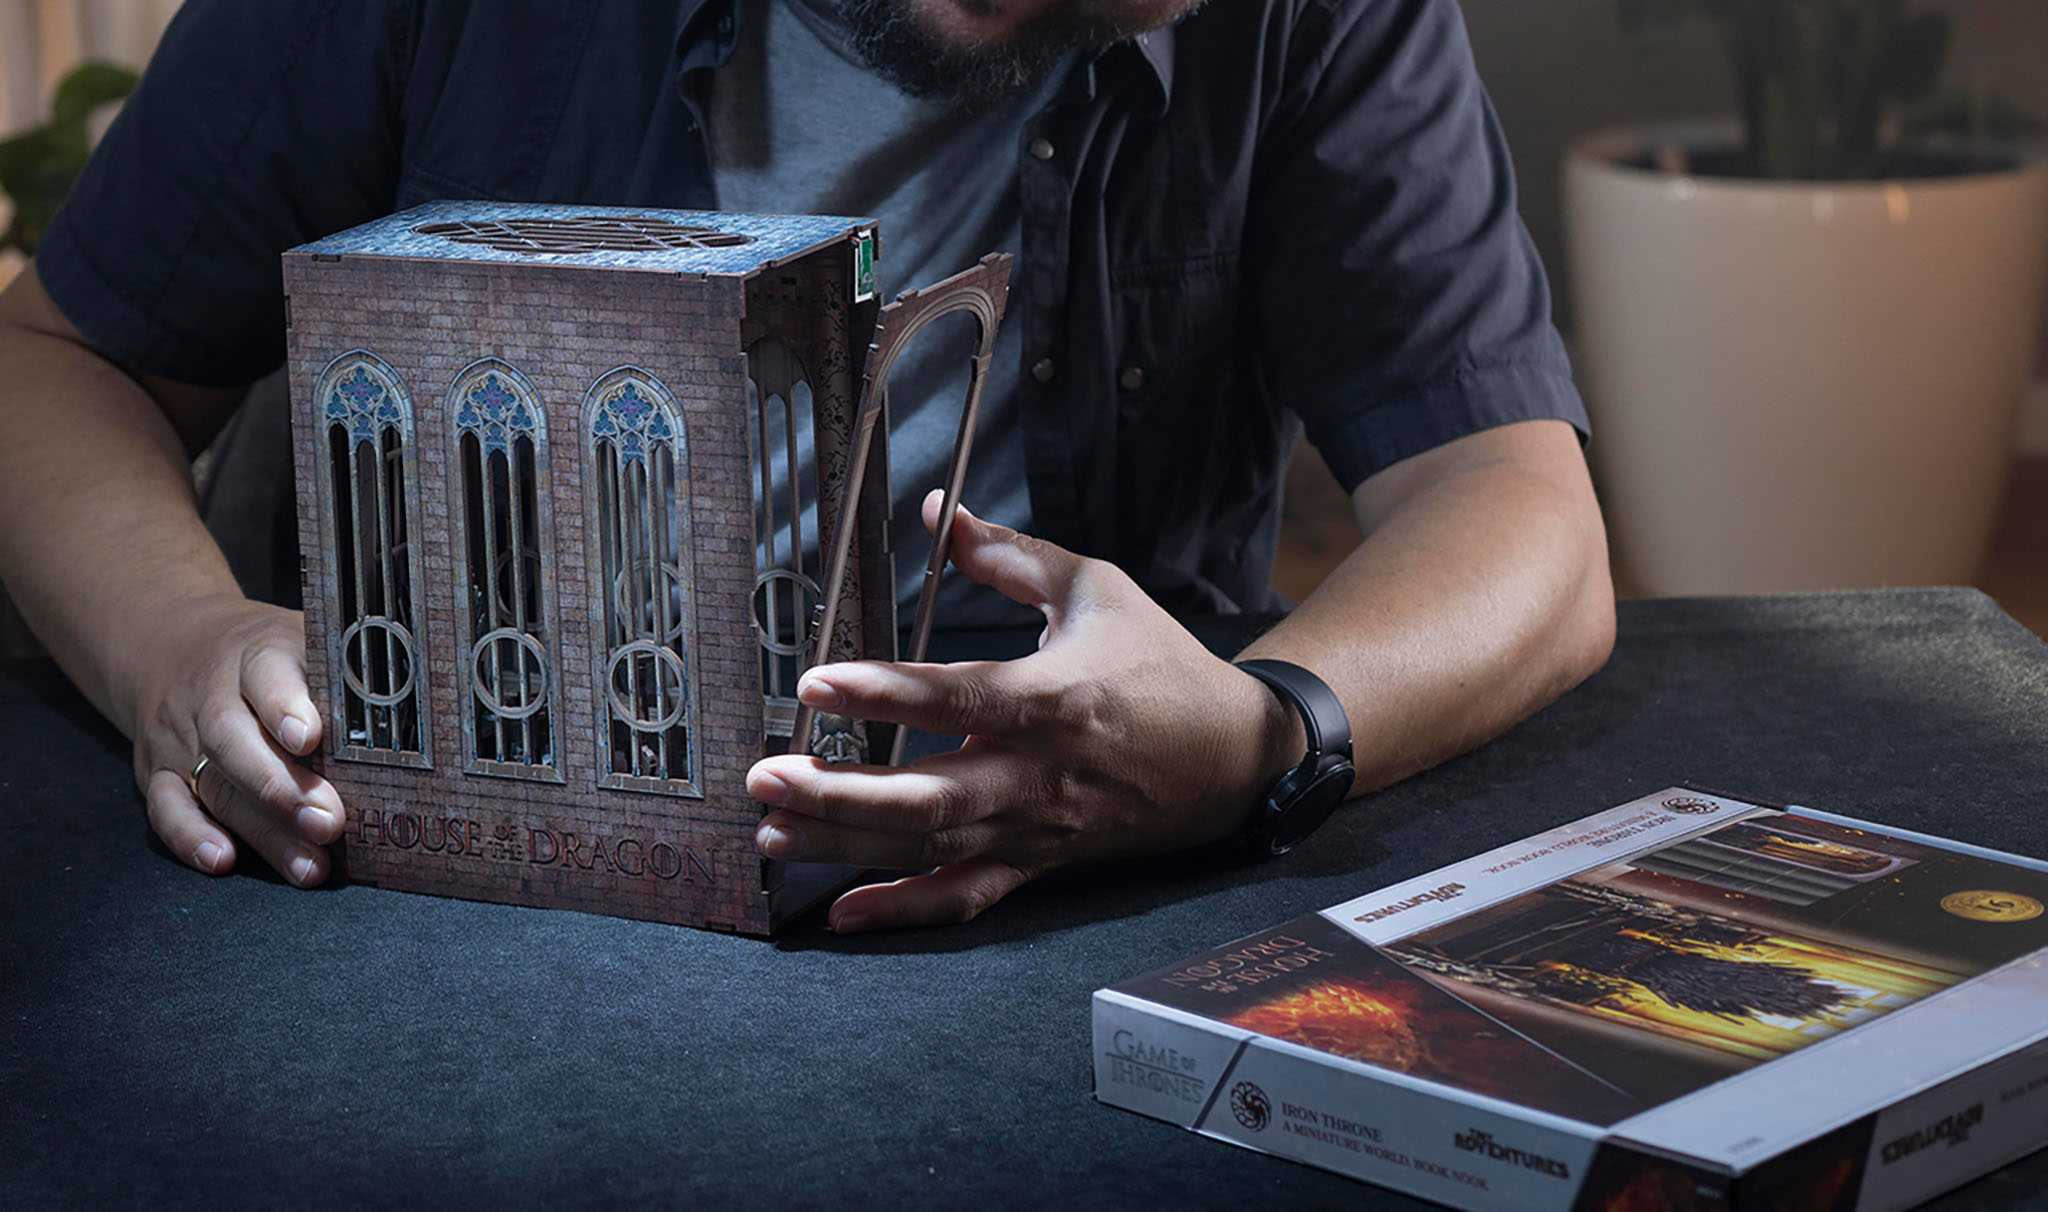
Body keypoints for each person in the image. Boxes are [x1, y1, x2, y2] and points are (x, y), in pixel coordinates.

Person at [0, 0, 1614, 931]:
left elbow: (1514, 500)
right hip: (436, 902)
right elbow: (55, 362)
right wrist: (177, 641)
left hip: (1088, 906)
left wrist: (1270, 736)